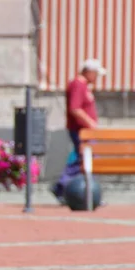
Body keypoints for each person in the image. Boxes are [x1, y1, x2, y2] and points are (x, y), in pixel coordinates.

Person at [51, 58, 106, 204]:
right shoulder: (78, 84)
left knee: (82, 157)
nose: (96, 78)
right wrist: (91, 123)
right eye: (96, 74)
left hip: (84, 130)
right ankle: (64, 187)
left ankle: (71, 189)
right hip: (81, 130)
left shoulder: (83, 85)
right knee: (86, 158)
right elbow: (75, 108)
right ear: (89, 72)